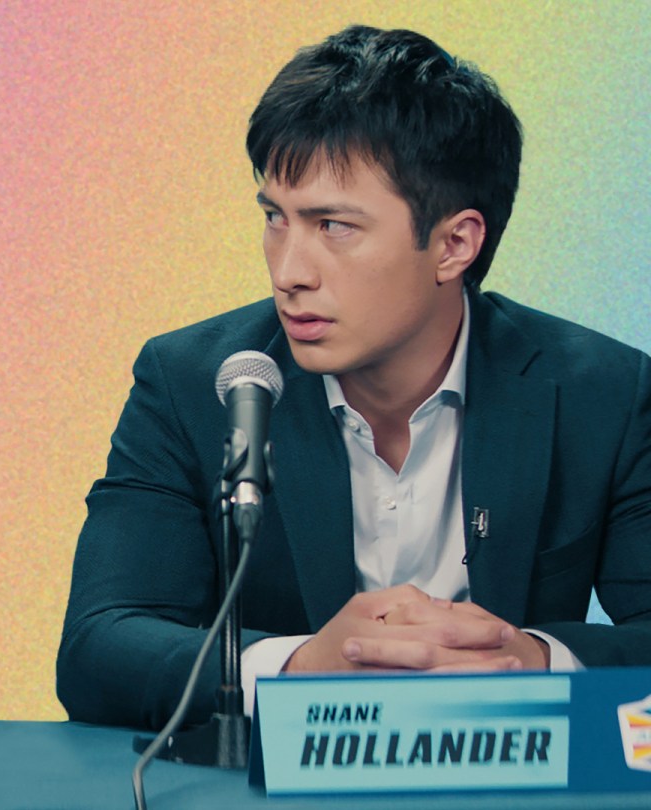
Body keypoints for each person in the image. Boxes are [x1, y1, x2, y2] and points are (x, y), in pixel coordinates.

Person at [57, 24, 651, 729]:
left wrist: (537, 660)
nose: (289, 272)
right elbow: (100, 644)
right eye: (275, 218)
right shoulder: (193, 383)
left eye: (334, 226)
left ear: (454, 244)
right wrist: (299, 668)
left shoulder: (603, 394)